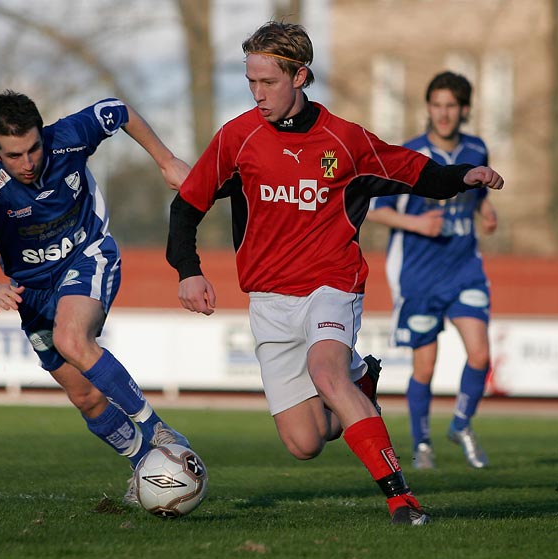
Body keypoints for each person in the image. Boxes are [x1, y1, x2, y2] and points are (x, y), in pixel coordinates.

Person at [166, 22, 503, 525]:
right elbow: (186, 207)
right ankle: (360, 381)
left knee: (326, 373)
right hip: (268, 301)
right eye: (250, 82)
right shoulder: (237, 138)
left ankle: (400, 497)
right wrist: (188, 271)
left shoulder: (344, 141)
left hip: (331, 284)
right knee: (305, 442)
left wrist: (463, 177)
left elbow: (414, 170)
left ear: (300, 76)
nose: (257, 94)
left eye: (268, 83)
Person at [0, 91, 191, 504]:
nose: (29, 162)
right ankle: (147, 464)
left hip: (88, 256)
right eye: (15, 154)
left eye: (34, 147)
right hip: (31, 292)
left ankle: (158, 429)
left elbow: (118, 110)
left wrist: (165, 160)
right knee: (85, 397)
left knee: (71, 339)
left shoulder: (69, 137)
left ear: (43, 134)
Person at [367, 71, 498, 470]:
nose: (443, 114)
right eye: (437, 105)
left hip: (463, 268)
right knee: (426, 365)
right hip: (419, 273)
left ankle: (460, 424)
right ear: (428, 108)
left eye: (451, 106)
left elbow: (476, 196)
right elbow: (376, 209)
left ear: (464, 110)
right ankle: (422, 444)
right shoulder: (409, 153)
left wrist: (486, 209)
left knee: (480, 354)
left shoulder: (477, 147)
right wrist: (418, 224)